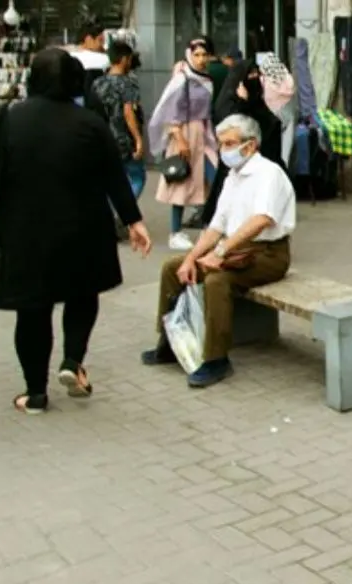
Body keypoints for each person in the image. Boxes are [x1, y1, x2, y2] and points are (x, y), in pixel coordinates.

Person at [0, 48, 151, 414]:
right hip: (83, 228)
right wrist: (134, 221)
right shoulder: (89, 123)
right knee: (82, 294)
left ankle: (35, 392)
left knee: (32, 311)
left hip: (23, 231)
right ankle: (72, 361)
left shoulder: (6, 119)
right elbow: (114, 178)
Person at [141, 114, 295, 388]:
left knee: (217, 280)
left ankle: (216, 359)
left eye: (230, 143)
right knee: (173, 269)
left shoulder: (268, 173)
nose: (225, 150)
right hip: (237, 249)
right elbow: (216, 226)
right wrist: (191, 258)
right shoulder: (233, 176)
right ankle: (171, 342)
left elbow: (262, 220)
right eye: (222, 143)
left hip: (269, 253)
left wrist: (221, 252)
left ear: (250, 145)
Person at [200, 57, 288, 227]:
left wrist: (248, 103)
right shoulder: (228, 102)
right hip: (234, 164)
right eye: (250, 74)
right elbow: (231, 125)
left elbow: (267, 125)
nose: (254, 78)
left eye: (257, 74)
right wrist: (243, 103)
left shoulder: (257, 102)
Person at [149, 37, 218, 252]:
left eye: (203, 54)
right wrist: (180, 140)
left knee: (213, 180)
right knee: (181, 181)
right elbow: (171, 112)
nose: (200, 59)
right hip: (184, 133)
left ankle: (212, 228)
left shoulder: (206, 78)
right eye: (196, 54)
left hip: (204, 135)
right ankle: (175, 231)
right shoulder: (182, 79)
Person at [92, 41, 146, 198]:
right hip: (124, 139)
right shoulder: (128, 83)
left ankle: (111, 213)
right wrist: (138, 140)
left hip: (102, 136)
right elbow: (129, 112)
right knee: (137, 177)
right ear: (124, 59)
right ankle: (123, 213)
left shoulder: (98, 83)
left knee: (109, 178)